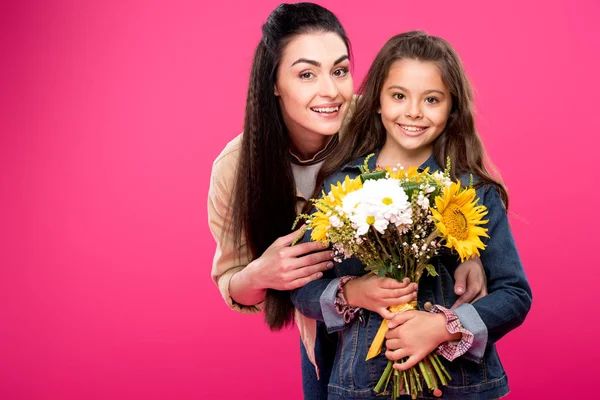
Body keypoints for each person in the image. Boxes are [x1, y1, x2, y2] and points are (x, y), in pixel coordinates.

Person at [208, 4, 488, 397]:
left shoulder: (375, 118)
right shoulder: (236, 168)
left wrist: (467, 250)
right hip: (325, 330)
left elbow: (451, 174)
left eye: (339, 71)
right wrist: (260, 274)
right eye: (307, 74)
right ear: (273, 83)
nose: (331, 90)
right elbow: (233, 283)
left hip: (415, 317)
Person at [291, 31, 532, 399]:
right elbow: (303, 289)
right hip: (362, 388)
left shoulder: (470, 189)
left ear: (452, 107)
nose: (414, 112)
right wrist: (353, 292)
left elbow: (514, 294)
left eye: (431, 99)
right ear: (377, 102)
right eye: (399, 96)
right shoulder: (342, 186)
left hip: (460, 388)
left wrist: (443, 327)